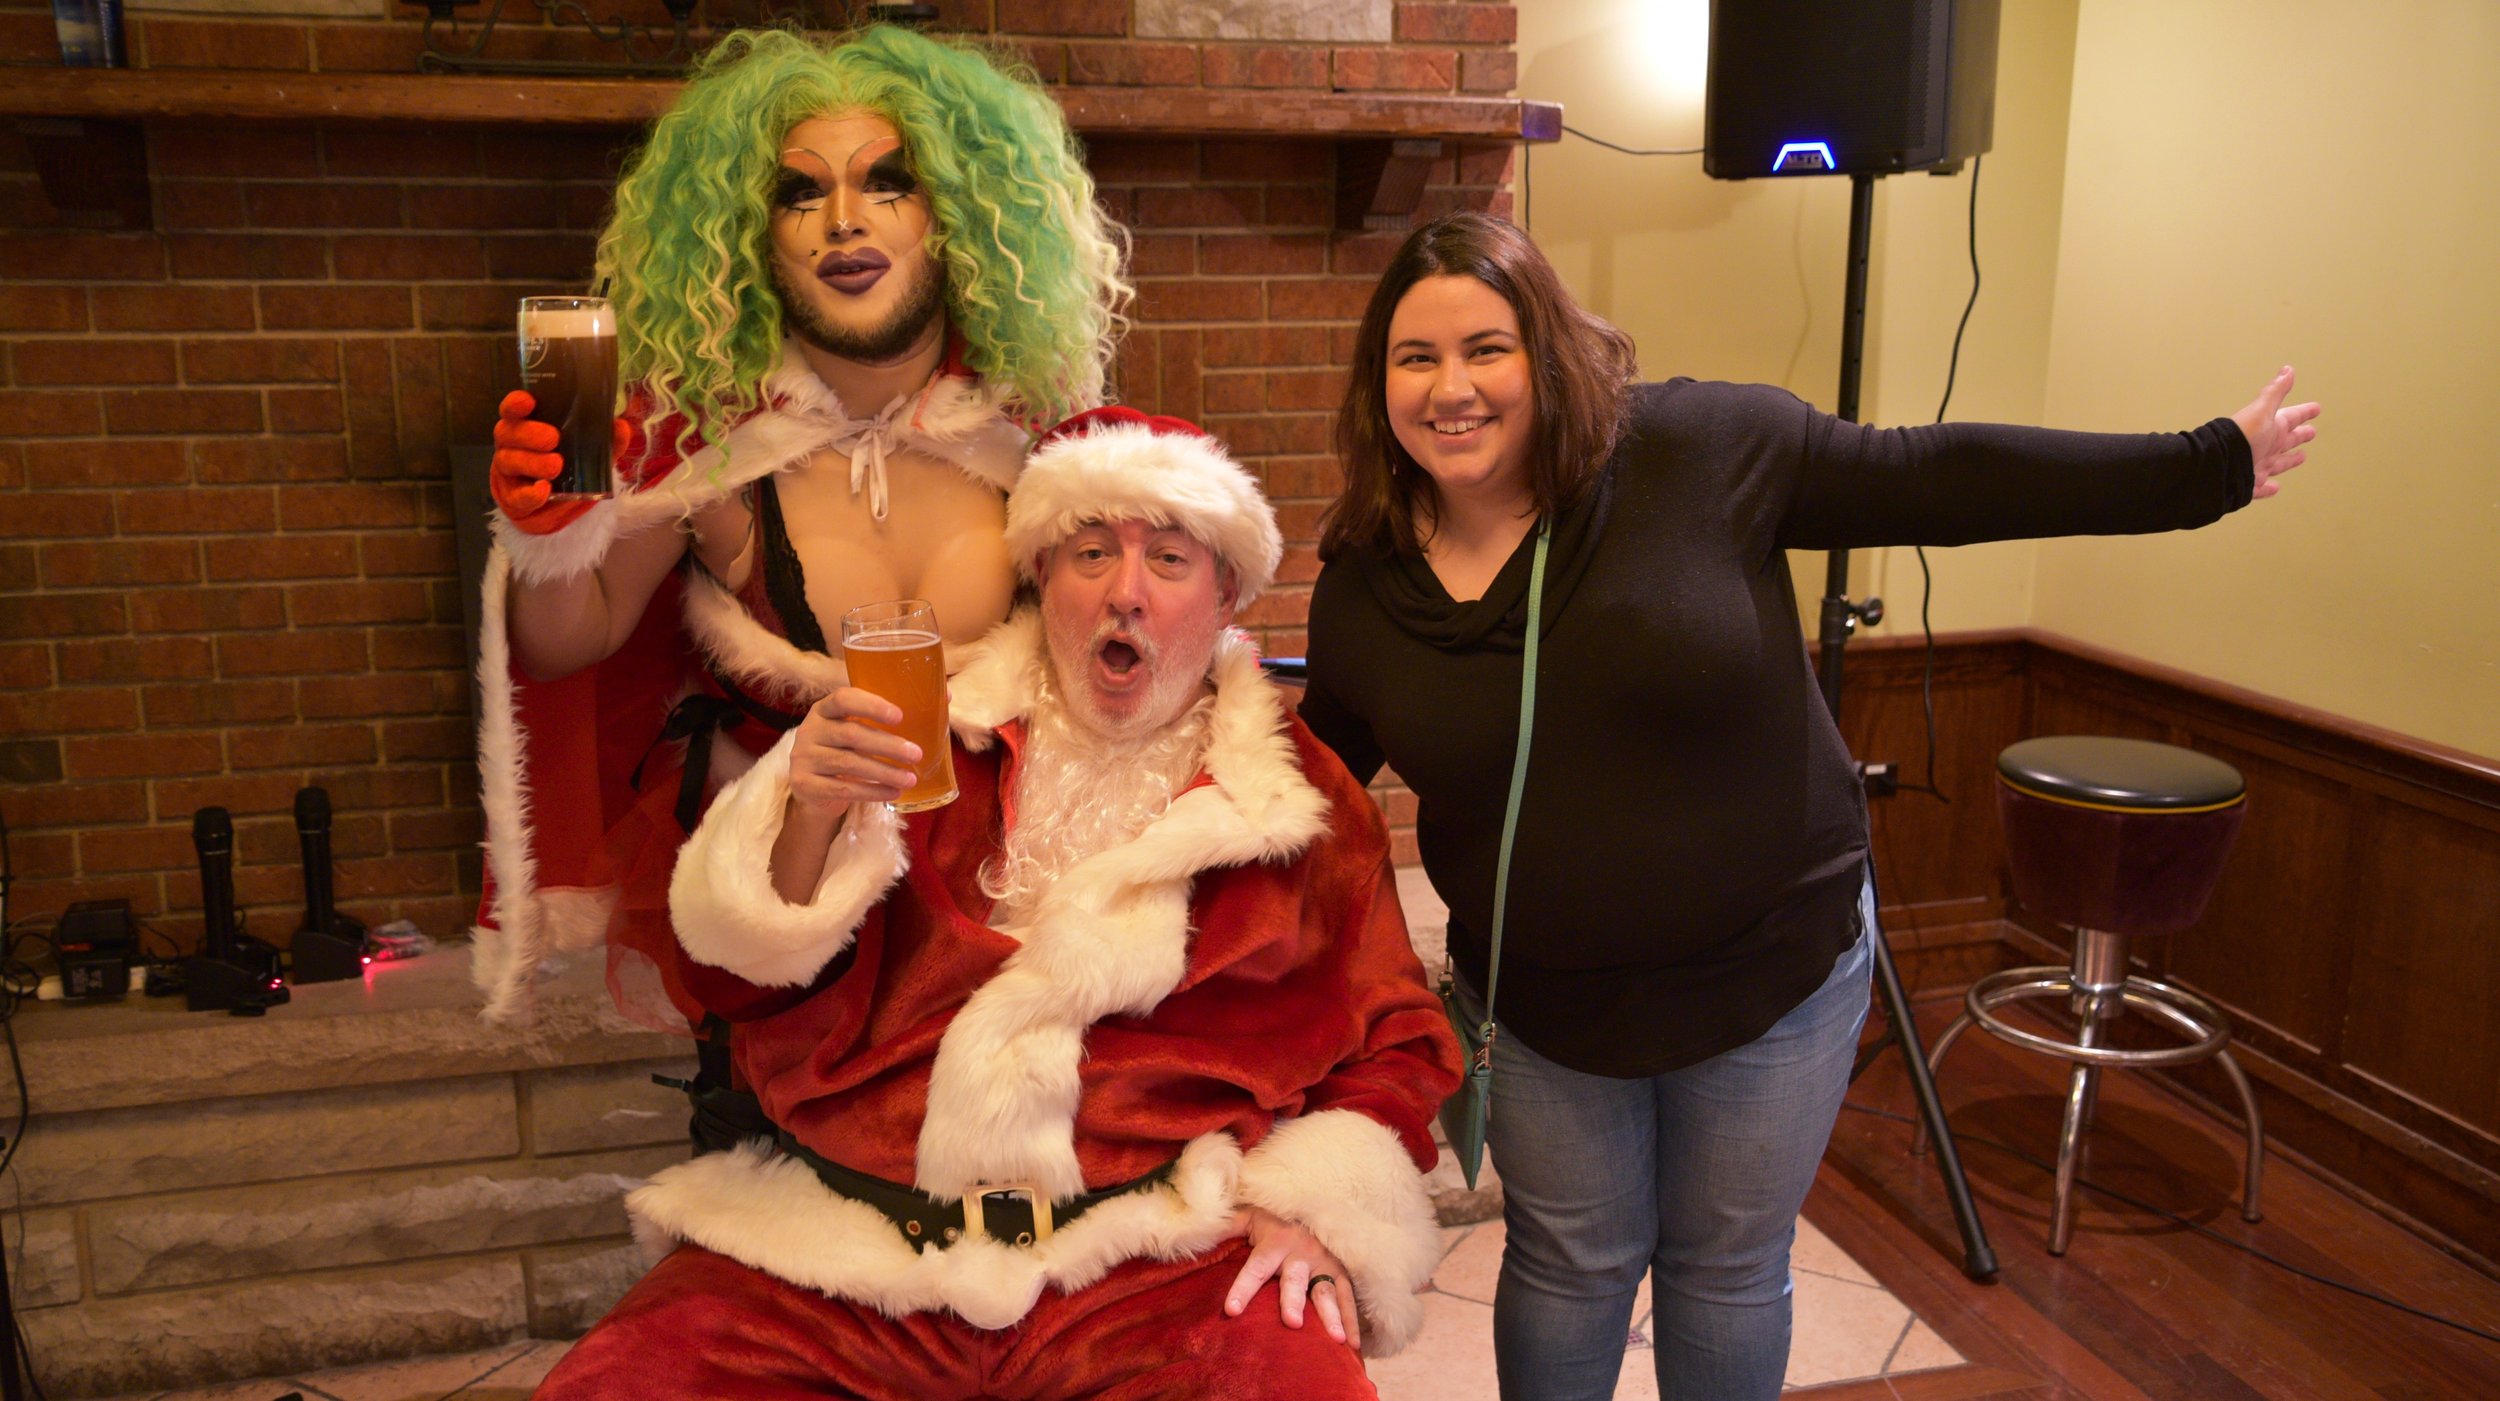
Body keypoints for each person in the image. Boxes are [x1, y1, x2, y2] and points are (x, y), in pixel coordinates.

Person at [1296, 212, 2320, 1400]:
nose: (1451, 387)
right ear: (1378, 390)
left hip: (1769, 979)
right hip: (1537, 1014)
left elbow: (1939, 474)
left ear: (1549, 351)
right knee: (1570, 1263)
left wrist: (2205, 464)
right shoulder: (1362, 586)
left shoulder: (1698, 449)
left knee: (1724, 1268)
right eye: (1413, 359)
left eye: (1487, 347)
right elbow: (1306, 787)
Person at [532, 408, 1463, 1399]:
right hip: (847, 1250)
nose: (1125, 595)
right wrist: (801, 811)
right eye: (1090, 553)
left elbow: (1395, 1043)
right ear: (1042, 579)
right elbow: (729, 982)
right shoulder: (920, 736)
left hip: (1153, 1264)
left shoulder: (1306, 806)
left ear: (1227, 589)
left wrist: (1317, 1213)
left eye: (1171, 560)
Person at [470, 26, 1128, 1032]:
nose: (843, 222)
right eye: (799, 193)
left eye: (889, 182)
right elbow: (569, 643)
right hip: (798, 920)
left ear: (955, 217)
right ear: (751, 237)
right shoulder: (714, 450)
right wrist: (549, 535)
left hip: (1016, 917)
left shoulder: (1043, 444)